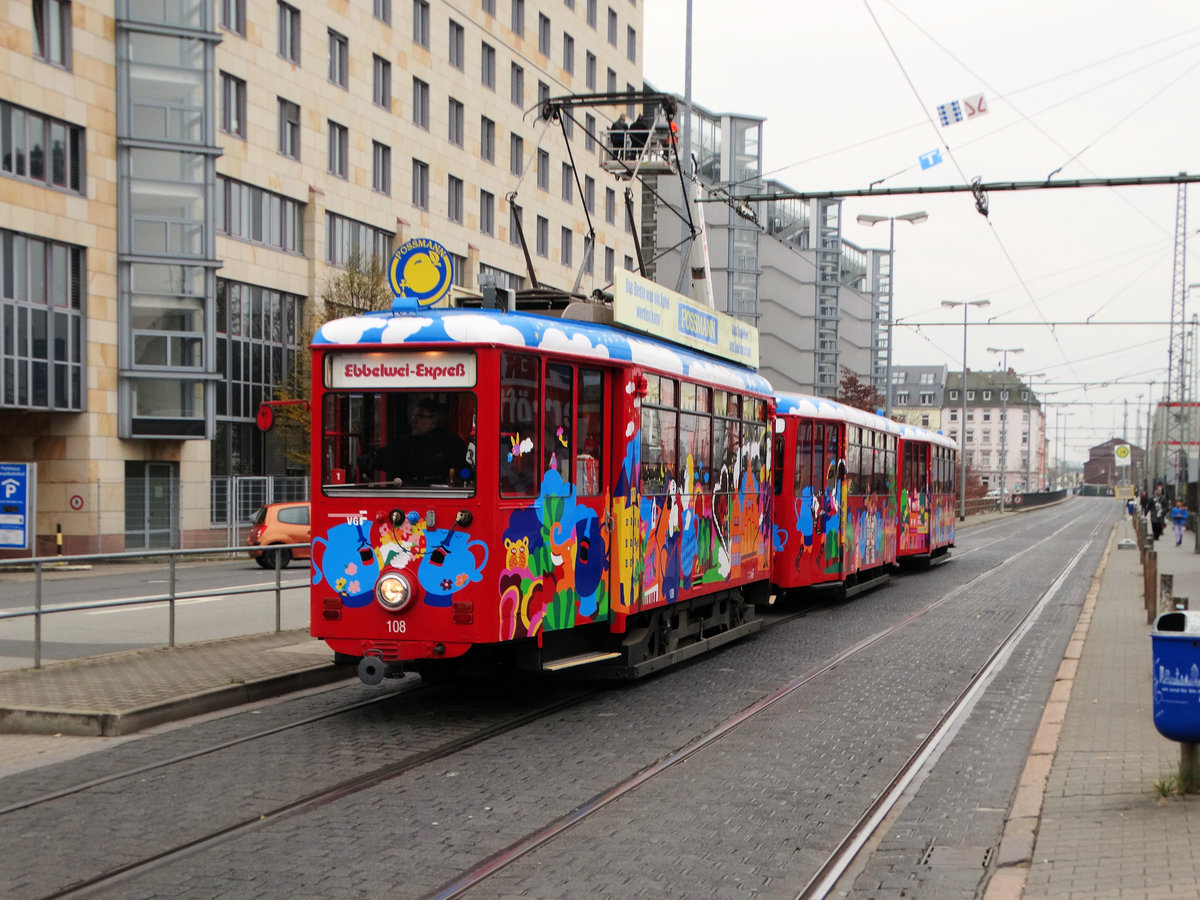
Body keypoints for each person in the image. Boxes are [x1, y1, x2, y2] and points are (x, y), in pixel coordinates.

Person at [358, 397, 468, 486]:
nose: (414, 420)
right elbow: (391, 455)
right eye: (413, 415)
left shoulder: (453, 443)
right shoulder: (407, 443)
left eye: (420, 416)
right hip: (410, 495)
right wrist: (374, 457)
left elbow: (466, 471)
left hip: (444, 497)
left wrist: (459, 476)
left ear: (434, 420)